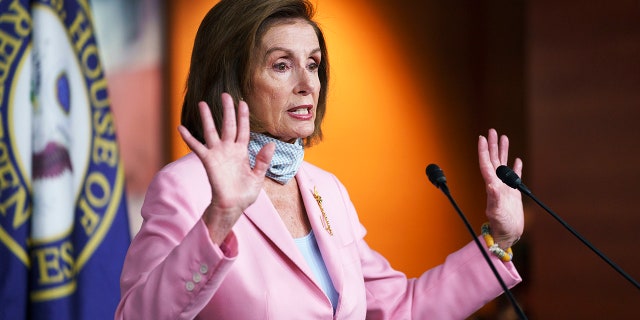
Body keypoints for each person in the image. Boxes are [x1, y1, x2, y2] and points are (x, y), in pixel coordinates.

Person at [115, 0, 525, 319]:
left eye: (313, 64)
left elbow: (402, 308)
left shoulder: (325, 189)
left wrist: (499, 242)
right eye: (281, 65)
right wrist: (218, 219)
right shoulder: (185, 188)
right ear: (234, 79)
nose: (307, 83)